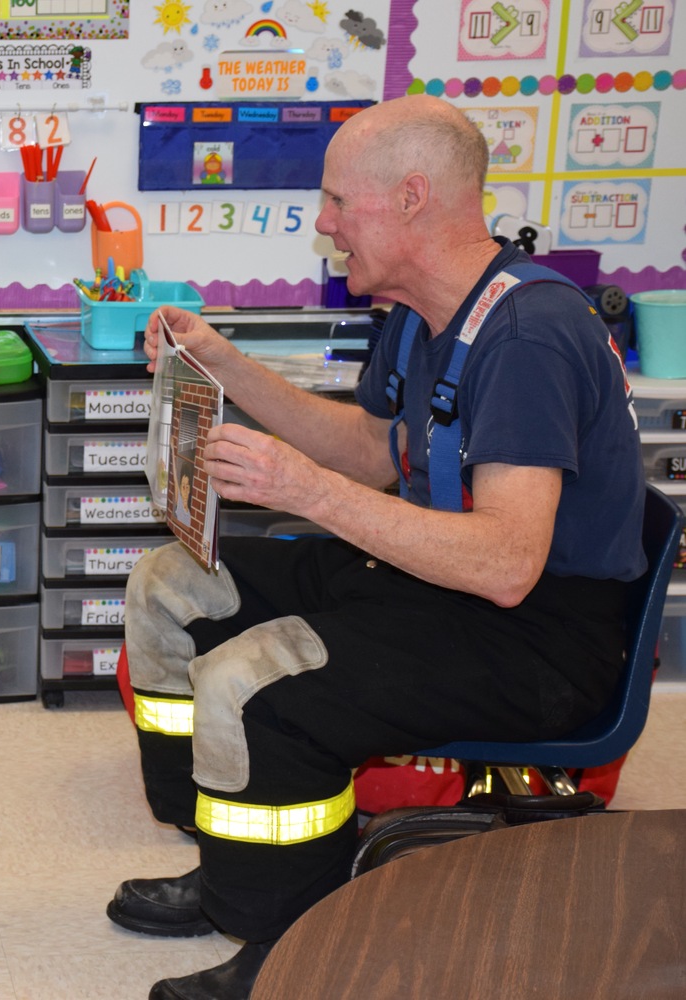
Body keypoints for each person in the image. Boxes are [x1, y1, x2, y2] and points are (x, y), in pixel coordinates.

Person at [111, 94, 644, 1000]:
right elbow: (371, 450)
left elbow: (508, 564)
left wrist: (302, 491)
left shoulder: (529, 335)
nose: (323, 225)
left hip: (541, 634)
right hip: (437, 577)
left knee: (258, 685)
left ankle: (287, 950)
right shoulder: (420, 312)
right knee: (170, 586)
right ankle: (229, 857)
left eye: (335, 203)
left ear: (409, 199)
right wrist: (222, 363)